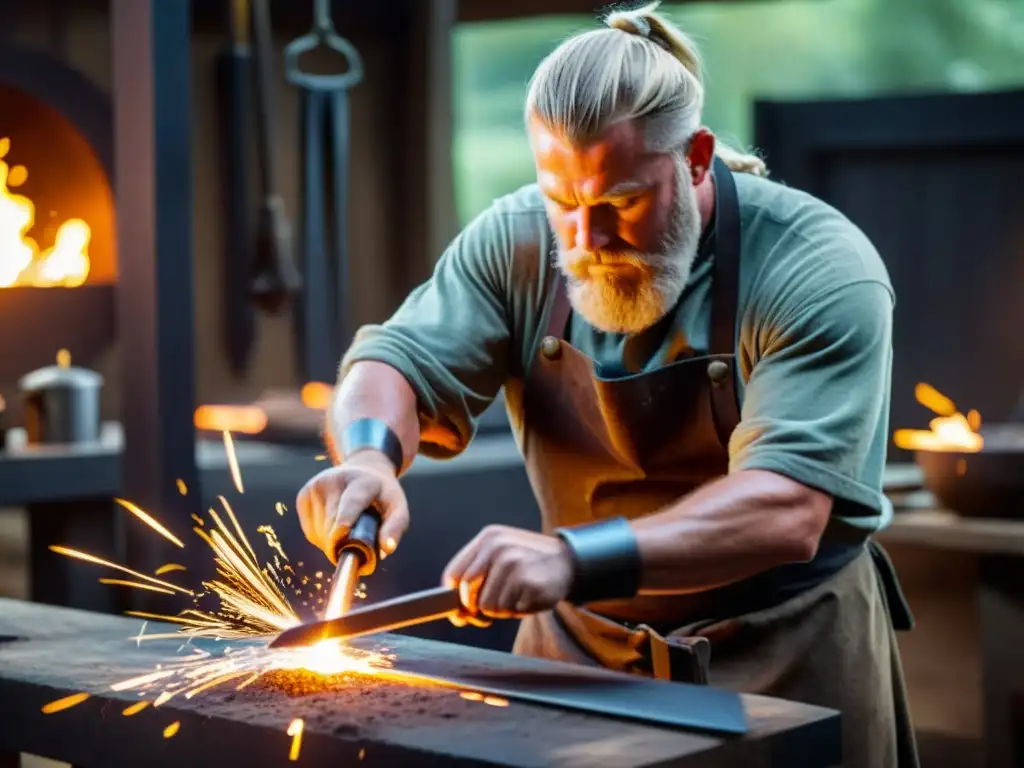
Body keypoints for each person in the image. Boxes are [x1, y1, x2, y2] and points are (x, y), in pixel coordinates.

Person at [295, 3, 919, 766]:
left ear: (694, 158)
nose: (587, 242)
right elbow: (395, 360)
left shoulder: (816, 267)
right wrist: (365, 459)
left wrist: (567, 558)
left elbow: (787, 507)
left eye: (620, 204)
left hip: (786, 658)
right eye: (564, 205)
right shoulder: (516, 240)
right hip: (575, 661)